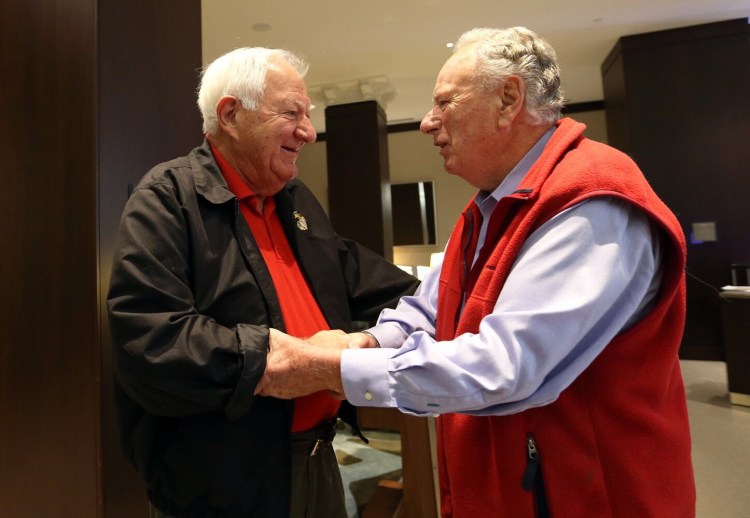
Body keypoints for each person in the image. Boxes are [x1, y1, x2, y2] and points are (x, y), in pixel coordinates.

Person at [257, 27, 696, 517]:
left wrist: (330, 368)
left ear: (509, 99)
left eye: (445, 102)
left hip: (588, 496)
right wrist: (365, 343)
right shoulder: (488, 207)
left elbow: (504, 367)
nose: (427, 122)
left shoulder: (592, 205)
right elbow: (432, 307)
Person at [106, 47, 418, 517]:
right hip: (220, 486)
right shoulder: (167, 198)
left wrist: (360, 342)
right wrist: (297, 363)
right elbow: (153, 341)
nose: (309, 133)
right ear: (231, 114)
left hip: (317, 461)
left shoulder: (296, 201)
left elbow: (381, 287)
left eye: (307, 116)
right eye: (291, 113)